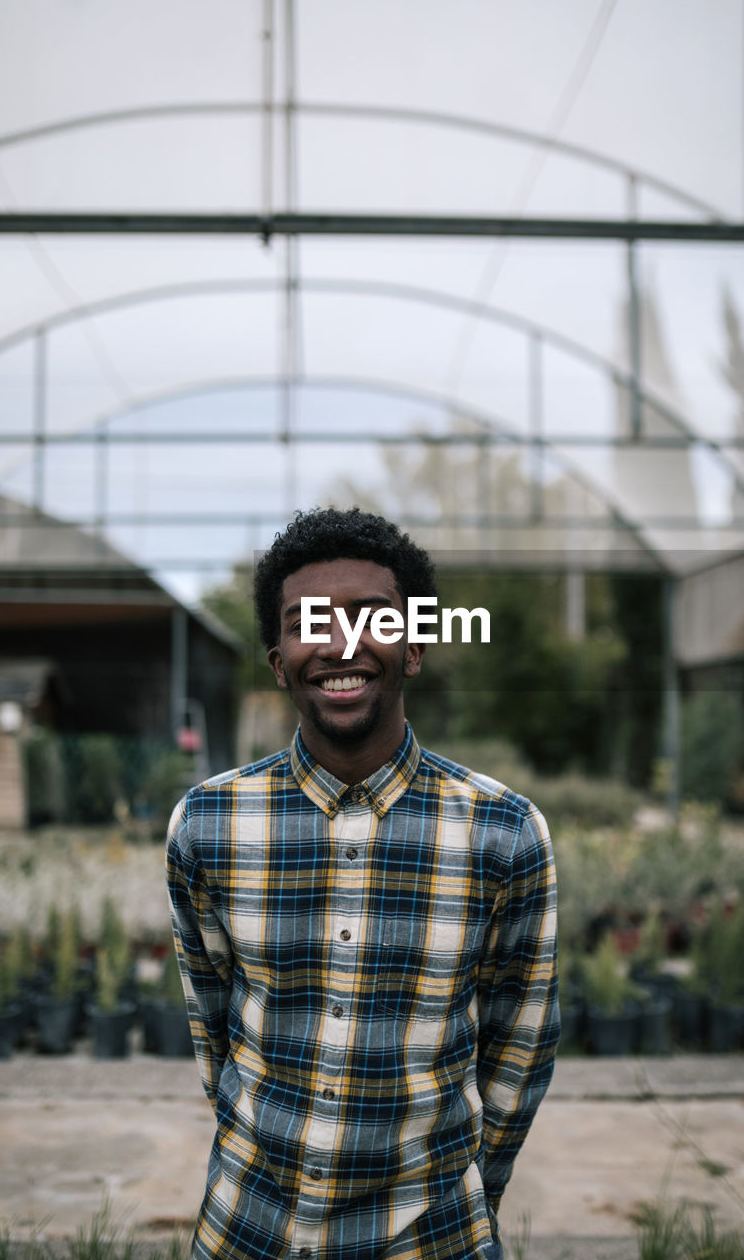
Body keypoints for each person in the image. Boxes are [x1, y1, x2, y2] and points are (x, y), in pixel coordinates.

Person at [167, 507, 559, 1260]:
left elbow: (519, 1050)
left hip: (433, 1238)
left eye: (369, 619)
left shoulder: (504, 832)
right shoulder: (207, 824)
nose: (339, 645)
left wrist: (471, 1188)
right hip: (247, 1229)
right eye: (307, 623)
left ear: (413, 645)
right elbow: (213, 1025)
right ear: (279, 661)